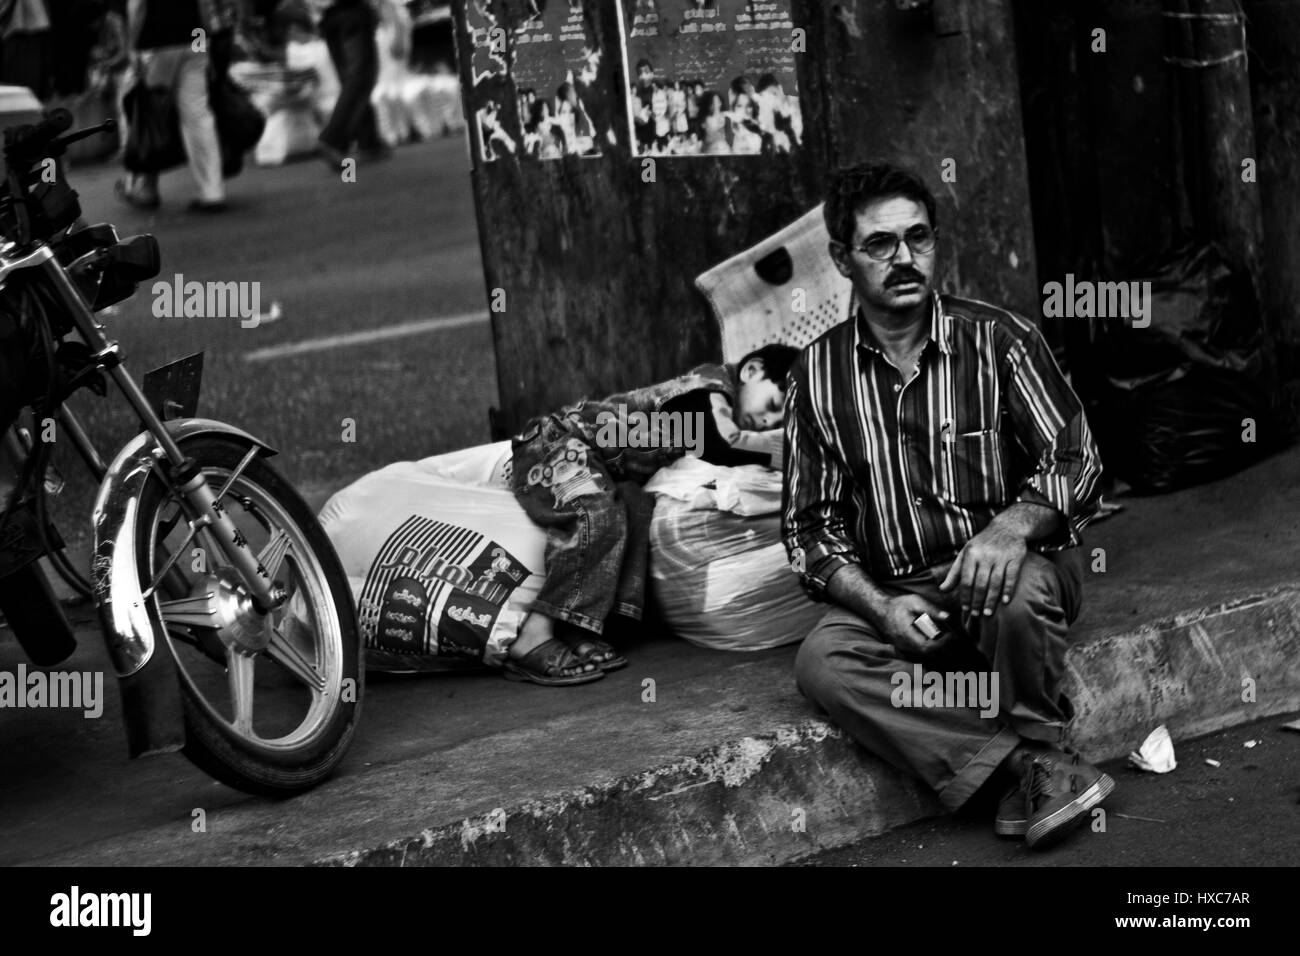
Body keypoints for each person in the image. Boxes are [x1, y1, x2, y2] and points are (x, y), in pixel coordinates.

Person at [783, 162, 1113, 849]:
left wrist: (1009, 529)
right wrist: (881, 608)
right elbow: (809, 528)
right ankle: (1029, 761)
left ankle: (1028, 754)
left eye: (918, 237)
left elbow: (1077, 459)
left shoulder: (1000, 340)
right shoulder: (815, 376)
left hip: (1011, 569)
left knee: (1014, 594)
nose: (904, 258)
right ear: (843, 259)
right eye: (880, 244)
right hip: (904, 592)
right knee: (823, 662)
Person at [508, 345, 799, 686]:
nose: (767, 422)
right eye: (772, 407)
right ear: (752, 371)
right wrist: (789, 449)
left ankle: (580, 626)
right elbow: (724, 443)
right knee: (596, 513)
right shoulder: (707, 390)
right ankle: (533, 634)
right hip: (559, 443)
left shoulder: (723, 401)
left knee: (637, 512)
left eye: (778, 423)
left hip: (609, 470)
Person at [115, 0, 226, 213]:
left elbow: (138, 6)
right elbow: (204, 4)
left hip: (156, 41)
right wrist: (204, 44)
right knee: (198, 115)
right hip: (193, 37)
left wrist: (132, 48)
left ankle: (144, 188)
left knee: (149, 114)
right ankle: (212, 191)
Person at [310, 0, 389, 168]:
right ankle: (333, 139)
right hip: (351, 11)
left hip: (328, 16)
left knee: (351, 79)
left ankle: (369, 141)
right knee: (360, 77)